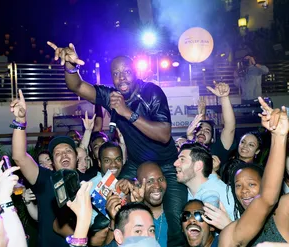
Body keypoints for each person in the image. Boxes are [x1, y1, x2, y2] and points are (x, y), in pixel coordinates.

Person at [47, 41, 187, 247]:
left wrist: (127, 113)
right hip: (135, 164)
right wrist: (70, 67)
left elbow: (164, 135)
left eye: (127, 72)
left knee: (175, 219)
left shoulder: (151, 93)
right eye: (116, 74)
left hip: (166, 166)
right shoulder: (110, 96)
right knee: (109, 205)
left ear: (135, 72)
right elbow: (76, 85)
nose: (122, 78)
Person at [218, 97, 288, 247]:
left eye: (251, 184)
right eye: (238, 185)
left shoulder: (283, 209)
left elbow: (267, 199)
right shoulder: (229, 234)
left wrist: (278, 136)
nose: (244, 191)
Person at [11, 90, 76, 247]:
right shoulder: (45, 179)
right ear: (52, 162)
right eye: (57, 153)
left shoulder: (89, 181)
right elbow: (19, 157)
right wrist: (20, 120)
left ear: (76, 156)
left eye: (68, 151)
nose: (64, 155)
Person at [174, 142, 235, 225]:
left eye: (182, 159)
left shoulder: (222, 192)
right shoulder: (184, 193)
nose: (175, 163)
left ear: (198, 166)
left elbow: (238, 231)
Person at [186, 82, 236, 166]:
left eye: (207, 131)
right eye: (199, 129)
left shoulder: (217, 149)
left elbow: (229, 127)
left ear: (212, 139)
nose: (202, 132)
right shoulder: (188, 148)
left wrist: (224, 97)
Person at [137, 161, 168, 247]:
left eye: (160, 179)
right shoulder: (132, 216)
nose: (157, 186)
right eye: (150, 181)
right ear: (138, 185)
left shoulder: (174, 214)